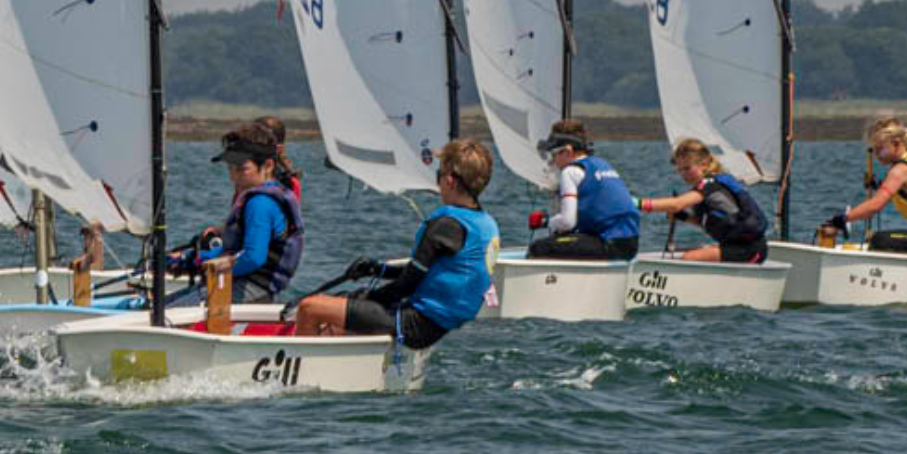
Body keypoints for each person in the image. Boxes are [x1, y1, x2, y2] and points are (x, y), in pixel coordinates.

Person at [294, 139, 496, 345]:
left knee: (309, 307)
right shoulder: (485, 224)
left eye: (438, 176)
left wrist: (367, 298)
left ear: (450, 181)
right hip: (435, 326)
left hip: (414, 323)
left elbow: (406, 285)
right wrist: (378, 269)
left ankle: (301, 365)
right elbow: (423, 272)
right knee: (338, 313)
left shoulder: (445, 225)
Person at [169, 117, 303, 305]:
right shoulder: (265, 194)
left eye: (241, 169)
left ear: (268, 166)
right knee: (165, 304)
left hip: (251, 290)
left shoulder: (260, 204)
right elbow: (240, 248)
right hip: (244, 284)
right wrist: (195, 258)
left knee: (164, 312)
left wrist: (207, 266)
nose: (233, 177)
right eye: (230, 169)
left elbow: (253, 258)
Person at [634, 138, 768, 263]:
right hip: (738, 246)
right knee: (692, 252)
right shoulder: (706, 189)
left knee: (689, 257)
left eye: (687, 168)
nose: (683, 174)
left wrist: (636, 203)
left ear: (704, 164)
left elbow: (677, 204)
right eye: (680, 170)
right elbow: (706, 223)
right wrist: (682, 216)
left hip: (749, 249)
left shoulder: (710, 185)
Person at [524, 119, 640, 261]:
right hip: (630, 245)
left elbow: (568, 222)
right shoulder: (602, 163)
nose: (552, 161)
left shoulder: (570, 171)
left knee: (538, 248)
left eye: (554, 154)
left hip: (608, 244)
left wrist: (545, 222)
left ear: (567, 151)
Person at [821, 118, 907, 254]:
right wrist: (880, 186)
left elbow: (875, 205)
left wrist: (843, 219)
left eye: (880, 149)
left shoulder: (900, 170)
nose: (876, 155)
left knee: (879, 240)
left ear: (896, 144)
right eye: (874, 150)